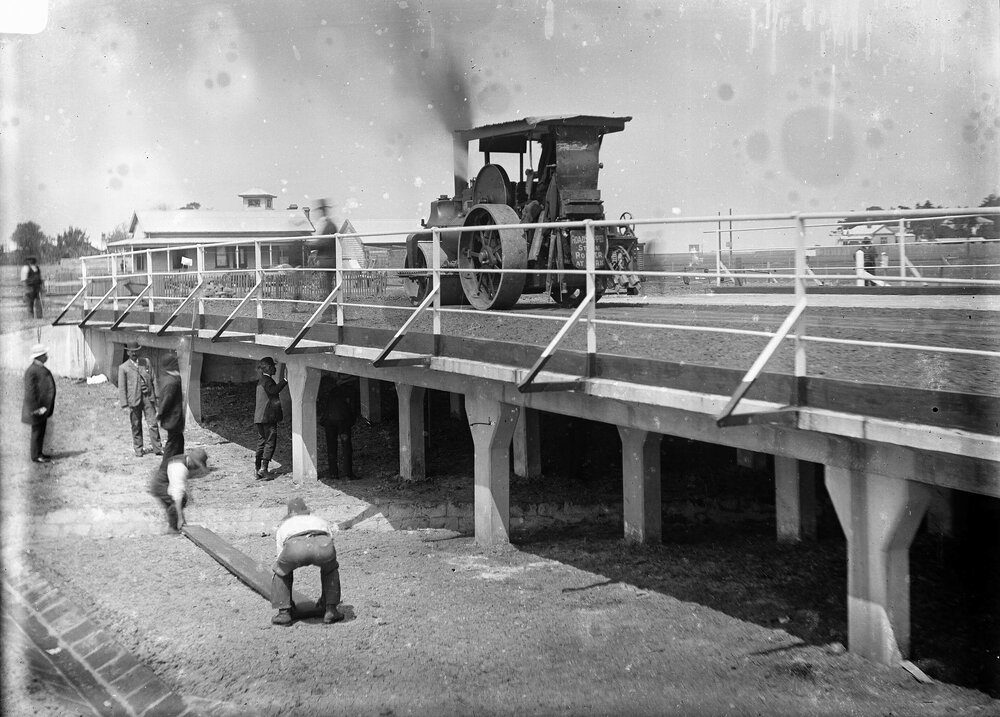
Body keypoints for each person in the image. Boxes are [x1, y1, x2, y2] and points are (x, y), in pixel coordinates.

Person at [270, 497, 343, 626]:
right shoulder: (319, 520)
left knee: (282, 572)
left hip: (295, 546)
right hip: (322, 544)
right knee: (330, 570)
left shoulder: (285, 526)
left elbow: (280, 555)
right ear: (306, 511)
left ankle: (284, 613)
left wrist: (284, 569)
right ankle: (331, 609)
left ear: (290, 513)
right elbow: (330, 540)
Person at [118, 341, 163, 458]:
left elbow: (153, 379)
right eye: (132, 351)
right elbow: (122, 387)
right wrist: (124, 404)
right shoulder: (123, 368)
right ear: (127, 352)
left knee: (153, 423)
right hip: (134, 400)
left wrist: (157, 395)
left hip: (148, 397)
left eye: (136, 351)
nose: (134, 353)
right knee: (136, 424)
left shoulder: (146, 362)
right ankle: (138, 449)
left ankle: (157, 448)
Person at [149, 448, 208, 532]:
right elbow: (177, 493)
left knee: (180, 500)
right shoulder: (179, 467)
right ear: (192, 462)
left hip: (165, 482)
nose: (196, 469)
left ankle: (174, 524)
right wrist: (180, 517)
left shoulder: (184, 461)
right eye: (196, 465)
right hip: (160, 485)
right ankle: (174, 528)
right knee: (177, 502)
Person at [21, 343, 56, 463]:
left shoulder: (39, 368)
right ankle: (36, 455)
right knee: (37, 432)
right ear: (39, 357)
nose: (46, 357)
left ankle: (39, 452)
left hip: (43, 406)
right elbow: (31, 393)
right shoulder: (32, 371)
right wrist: (37, 408)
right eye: (44, 355)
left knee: (41, 430)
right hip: (37, 407)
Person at [254, 356, 288, 480]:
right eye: (273, 366)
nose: (275, 368)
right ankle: (264, 469)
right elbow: (274, 391)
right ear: (268, 368)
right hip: (268, 417)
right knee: (270, 442)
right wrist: (285, 380)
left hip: (260, 417)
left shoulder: (261, 380)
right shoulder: (268, 381)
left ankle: (258, 469)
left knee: (262, 442)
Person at [319, 376, 358, 480]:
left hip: (329, 421)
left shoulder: (333, 390)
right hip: (342, 421)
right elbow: (353, 408)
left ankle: (333, 473)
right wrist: (352, 421)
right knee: (346, 447)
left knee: (331, 446)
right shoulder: (351, 391)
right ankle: (348, 473)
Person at [156, 352, 185, 462]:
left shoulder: (170, 377)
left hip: (174, 419)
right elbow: (166, 400)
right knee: (172, 444)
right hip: (172, 419)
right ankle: (164, 471)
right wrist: (159, 413)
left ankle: (178, 463)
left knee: (178, 441)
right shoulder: (171, 382)